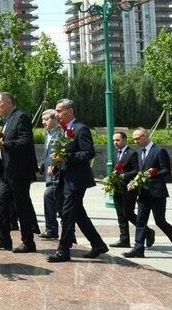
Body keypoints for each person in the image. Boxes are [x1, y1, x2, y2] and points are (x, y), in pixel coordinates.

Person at [47, 99, 108, 263]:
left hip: (77, 180)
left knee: (67, 214)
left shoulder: (81, 129)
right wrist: (55, 165)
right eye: (56, 111)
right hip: (64, 178)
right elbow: (62, 153)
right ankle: (98, 244)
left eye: (60, 111)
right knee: (78, 214)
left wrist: (66, 157)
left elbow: (89, 153)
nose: (57, 114)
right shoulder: (62, 130)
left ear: (70, 111)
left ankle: (63, 250)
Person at [123, 127, 172, 260]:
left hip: (157, 193)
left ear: (146, 136)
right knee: (140, 221)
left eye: (138, 138)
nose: (135, 141)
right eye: (134, 139)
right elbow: (140, 172)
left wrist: (154, 173)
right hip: (143, 193)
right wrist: (134, 182)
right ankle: (138, 248)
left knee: (160, 222)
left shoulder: (159, 151)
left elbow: (166, 170)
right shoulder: (140, 151)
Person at [0, 92, 38, 254]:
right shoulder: (8, 120)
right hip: (7, 172)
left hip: (19, 171)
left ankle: (28, 242)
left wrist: (4, 144)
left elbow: (25, 141)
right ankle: (4, 239)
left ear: (8, 102)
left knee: (21, 206)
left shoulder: (21, 117)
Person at [110, 132, 154, 248]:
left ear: (125, 140)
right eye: (114, 140)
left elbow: (136, 170)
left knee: (128, 213)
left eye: (118, 140)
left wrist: (124, 176)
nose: (115, 143)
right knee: (120, 214)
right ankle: (124, 239)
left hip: (129, 189)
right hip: (117, 187)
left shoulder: (132, 153)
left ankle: (148, 232)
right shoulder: (116, 153)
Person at [39, 109, 63, 240]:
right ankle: (53, 230)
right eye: (42, 119)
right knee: (56, 201)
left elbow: (62, 153)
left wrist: (56, 166)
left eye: (46, 119)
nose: (43, 122)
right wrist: (41, 165)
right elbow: (47, 153)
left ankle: (52, 229)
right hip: (49, 174)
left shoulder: (62, 133)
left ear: (55, 119)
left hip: (59, 173)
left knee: (50, 196)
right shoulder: (48, 134)